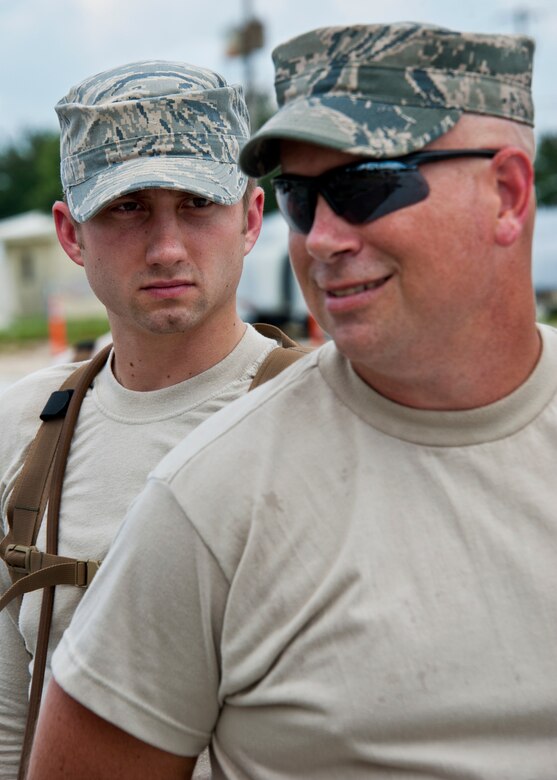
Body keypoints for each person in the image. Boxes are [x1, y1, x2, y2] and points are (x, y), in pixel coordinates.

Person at [28, 22, 557, 779]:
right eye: (301, 198)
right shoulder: (210, 496)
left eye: (367, 183)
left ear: (506, 192)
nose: (320, 238)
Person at [0, 58, 296, 779]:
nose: (166, 247)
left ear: (251, 217)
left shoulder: (322, 413)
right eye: (127, 208)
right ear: (71, 235)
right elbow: (10, 720)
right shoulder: (24, 427)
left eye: (197, 204)